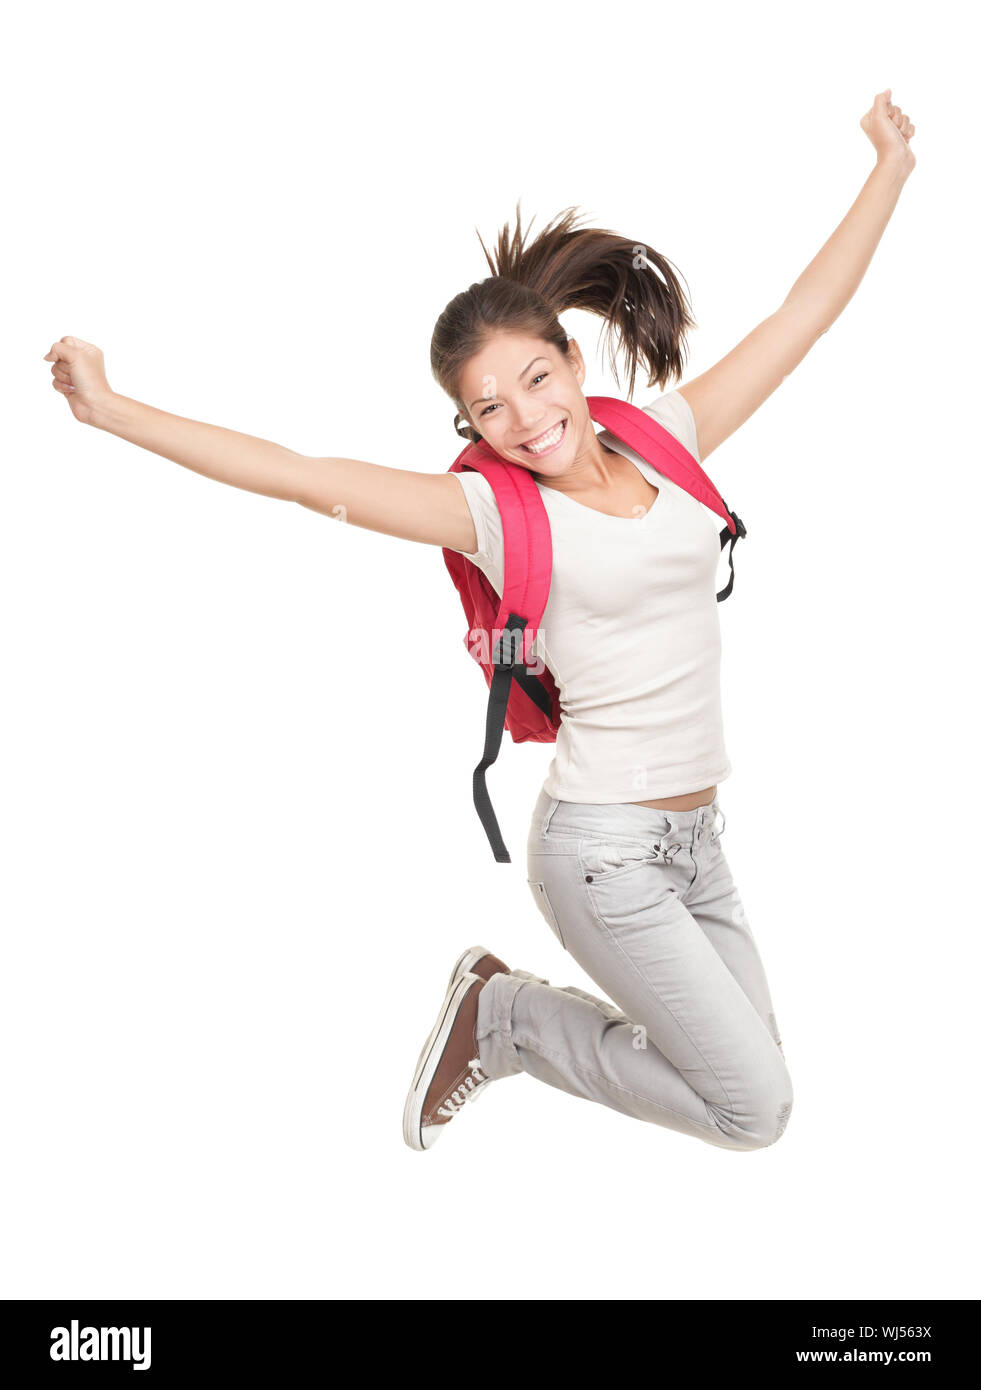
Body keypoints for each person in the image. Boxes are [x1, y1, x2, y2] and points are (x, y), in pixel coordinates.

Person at [42, 89, 916, 1156]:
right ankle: (503, 1020)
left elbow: (801, 315)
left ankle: (502, 1010)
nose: (525, 417)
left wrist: (889, 166)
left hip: (698, 843)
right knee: (755, 1107)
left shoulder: (670, 442)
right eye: (488, 405)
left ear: (574, 362)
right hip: (602, 848)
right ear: (470, 423)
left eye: (536, 378)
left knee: (747, 1083)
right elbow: (297, 475)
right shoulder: (491, 515)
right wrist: (113, 407)